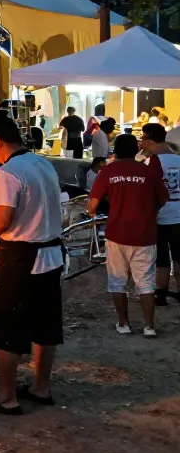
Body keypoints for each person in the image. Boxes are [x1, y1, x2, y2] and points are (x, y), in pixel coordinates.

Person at [0, 114, 65, 415]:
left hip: (22, 257)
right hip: (52, 254)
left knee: (6, 326)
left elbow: (2, 220)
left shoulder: (7, 173)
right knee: (45, 324)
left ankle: (6, 397)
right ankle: (40, 388)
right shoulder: (44, 163)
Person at [89, 133, 165, 336]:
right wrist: (150, 211)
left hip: (117, 234)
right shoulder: (148, 172)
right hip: (145, 234)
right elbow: (162, 199)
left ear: (115, 151)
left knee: (117, 281)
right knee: (146, 282)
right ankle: (149, 326)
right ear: (136, 151)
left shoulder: (107, 171)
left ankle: (123, 323)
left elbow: (92, 206)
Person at [140, 123, 180, 307]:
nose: (141, 143)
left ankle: (161, 294)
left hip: (160, 216)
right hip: (178, 215)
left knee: (161, 258)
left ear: (149, 140)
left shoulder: (151, 163)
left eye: (143, 138)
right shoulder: (178, 159)